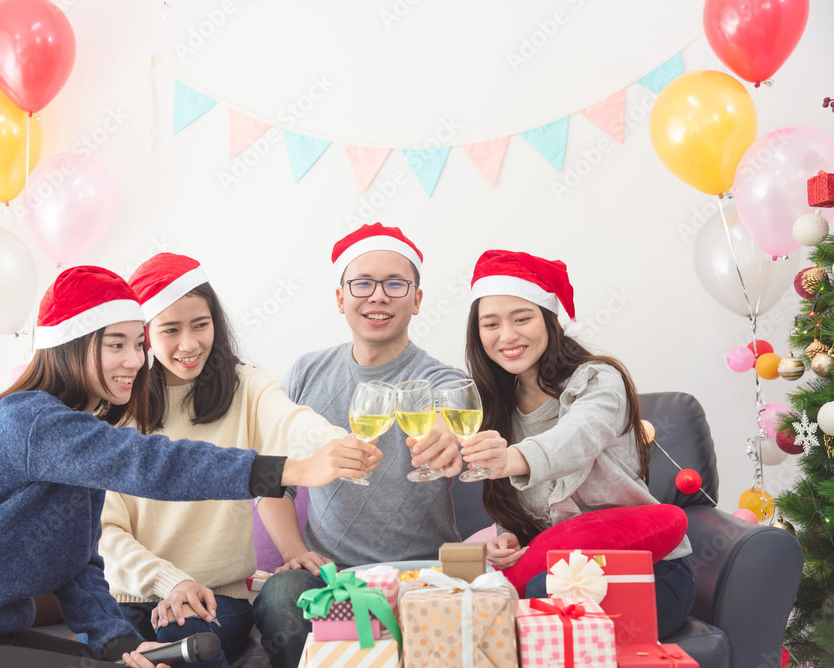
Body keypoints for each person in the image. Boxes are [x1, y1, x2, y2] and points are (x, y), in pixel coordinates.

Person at [0, 266, 377, 668]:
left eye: (138, 344)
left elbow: (78, 569)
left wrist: (119, 647)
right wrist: (289, 470)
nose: (135, 360)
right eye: (116, 344)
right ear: (72, 345)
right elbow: (153, 464)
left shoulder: (75, 433)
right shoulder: (30, 420)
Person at [98, 253, 370, 667]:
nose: (189, 344)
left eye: (201, 325)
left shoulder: (243, 386)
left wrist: (335, 442)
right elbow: (105, 532)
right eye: (170, 330)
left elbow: (289, 419)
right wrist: (171, 582)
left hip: (215, 599)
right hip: (127, 599)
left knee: (186, 635)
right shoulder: (116, 408)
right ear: (144, 336)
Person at [254, 223, 467, 668]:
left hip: (423, 572)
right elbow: (273, 480)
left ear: (417, 299)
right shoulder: (306, 373)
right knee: (280, 599)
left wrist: (448, 436)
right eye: (363, 283)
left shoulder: (439, 379)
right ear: (340, 299)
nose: (378, 296)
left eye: (395, 284)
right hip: (333, 578)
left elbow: (457, 419)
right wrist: (295, 553)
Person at [457, 249, 696, 638]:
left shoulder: (599, 381)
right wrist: (510, 539)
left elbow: (577, 438)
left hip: (649, 570)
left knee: (541, 596)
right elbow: (527, 512)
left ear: (552, 322)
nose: (507, 336)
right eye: (491, 324)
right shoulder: (496, 404)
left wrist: (512, 457)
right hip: (559, 568)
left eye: (522, 319)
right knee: (490, 599)